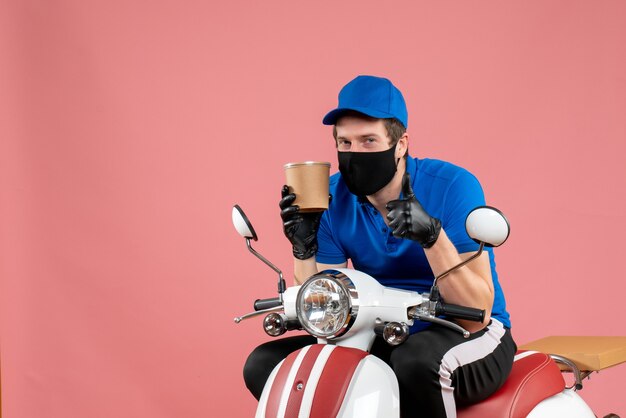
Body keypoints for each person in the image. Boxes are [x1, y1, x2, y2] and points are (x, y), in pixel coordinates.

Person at [243, 75, 516, 417]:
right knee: (267, 365)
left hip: (467, 333)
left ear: (400, 144)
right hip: (384, 329)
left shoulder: (452, 186)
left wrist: (432, 237)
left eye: (369, 141)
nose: (355, 154)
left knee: (415, 362)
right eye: (345, 143)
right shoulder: (330, 196)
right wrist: (303, 248)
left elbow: (477, 313)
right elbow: (328, 313)